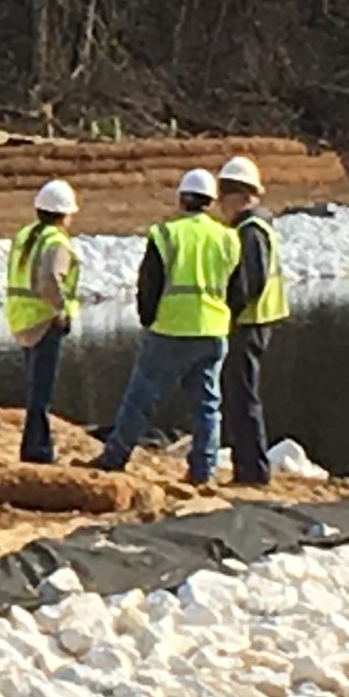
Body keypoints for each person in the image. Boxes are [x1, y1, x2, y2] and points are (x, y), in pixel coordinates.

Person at [87, 168, 240, 484]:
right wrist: (226, 317)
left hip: (170, 329)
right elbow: (238, 286)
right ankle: (204, 470)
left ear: (182, 199)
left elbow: (149, 285)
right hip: (212, 329)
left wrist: (148, 319)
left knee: (141, 398)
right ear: (211, 202)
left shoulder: (166, 235)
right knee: (208, 406)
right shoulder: (227, 237)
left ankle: (115, 457)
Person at [217, 154, 289, 485]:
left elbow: (249, 281)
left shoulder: (250, 231)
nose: (219, 202)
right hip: (258, 322)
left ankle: (252, 470)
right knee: (240, 394)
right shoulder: (260, 226)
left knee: (242, 395)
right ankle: (249, 466)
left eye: (223, 194)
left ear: (238, 194)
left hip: (249, 324)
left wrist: (226, 313)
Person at [3, 179, 81, 464]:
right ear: (64, 214)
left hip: (21, 317)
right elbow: (49, 280)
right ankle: (38, 451)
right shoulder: (56, 242)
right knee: (42, 391)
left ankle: (34, 446)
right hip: (43, 320)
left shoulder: (25, 235)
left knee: (35, 387)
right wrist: (61, 310)